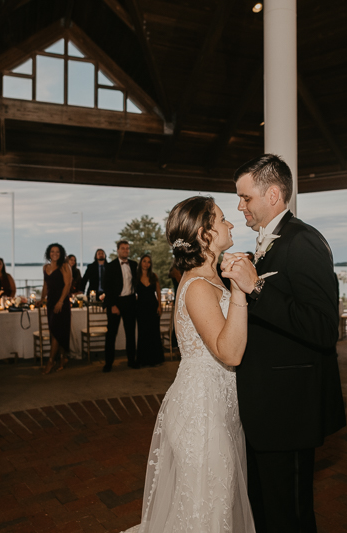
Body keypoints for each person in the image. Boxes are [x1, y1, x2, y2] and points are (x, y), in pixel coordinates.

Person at [122, 196, 257, 533]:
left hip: (216, 404)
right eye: (223, 219)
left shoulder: (209, 280)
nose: (231, 224)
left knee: (214, 506)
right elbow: (230, 353)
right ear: (204, 234)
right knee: (207, 510)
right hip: (201, 413)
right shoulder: (197, 286)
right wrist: (240, 292)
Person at [226, 154, 345, 533]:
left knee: (289, 515)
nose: (239, 205)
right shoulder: (268, 244)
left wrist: (256, 287)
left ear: (273, 195)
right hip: (266, 403)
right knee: (264, 507)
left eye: (245, 197)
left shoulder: (302, 241)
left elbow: (325, 327)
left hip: (289, 405)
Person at [103, 241, 138, 372]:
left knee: (130, 334)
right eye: (123, 248)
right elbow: (107, 287)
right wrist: (112, 305)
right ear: (118, 250)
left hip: (130, 302)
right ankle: (108, 363)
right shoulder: (110, 266)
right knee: (111, 334)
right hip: (115, 302)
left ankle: (131, 360)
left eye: (127, 248)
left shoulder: (134, 265)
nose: (125, 251)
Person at [41, 243, 73, 374]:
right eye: (52, 251)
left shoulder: (65, 266)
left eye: (58, 252)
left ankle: (50, 361)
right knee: (55, 330)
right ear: (49, 253)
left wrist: (60, 301)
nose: (55, 254)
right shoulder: (45, 267)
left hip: (61, 303)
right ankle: (63, 357)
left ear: (61, 254)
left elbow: (68, 284)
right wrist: (42, 298)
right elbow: (45, 285)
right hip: (50, 303)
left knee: (56, 331)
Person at [134, 254, 164, 367]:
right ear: (141, 262)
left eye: (148, 262)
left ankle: (155, 359)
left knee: (154, 333)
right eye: (144, 261)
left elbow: (159, 292)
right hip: (141, 308)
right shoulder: (136, 277)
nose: (146, 264)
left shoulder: (154, 276)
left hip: (153, 307)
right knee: (142, 333)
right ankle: (143, 360)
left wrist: (159, 306)